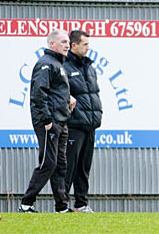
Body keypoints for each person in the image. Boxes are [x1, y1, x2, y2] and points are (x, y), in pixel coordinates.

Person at [18, 29, 76, 213]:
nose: (67, 45)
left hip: (61, 121)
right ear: (52, 44)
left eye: (68, 42)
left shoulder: (58, 64)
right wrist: (47, 120)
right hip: (49, 122)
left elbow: (55, 92)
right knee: (48, 163)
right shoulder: (45, 64)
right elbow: (38, 93)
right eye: (63, 42)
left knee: (60, 164)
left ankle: (62, 207)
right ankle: (26, 203)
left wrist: (69, 98)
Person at [63, 30, 102, 213]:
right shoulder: (64, 66)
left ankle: (81, 204)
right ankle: (62, 205)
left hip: (90, 124)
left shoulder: (90, 67)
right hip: (74, 124)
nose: (88, 48)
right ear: (74, 46)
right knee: (69, 166)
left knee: (84, 167)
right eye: (85, 44)